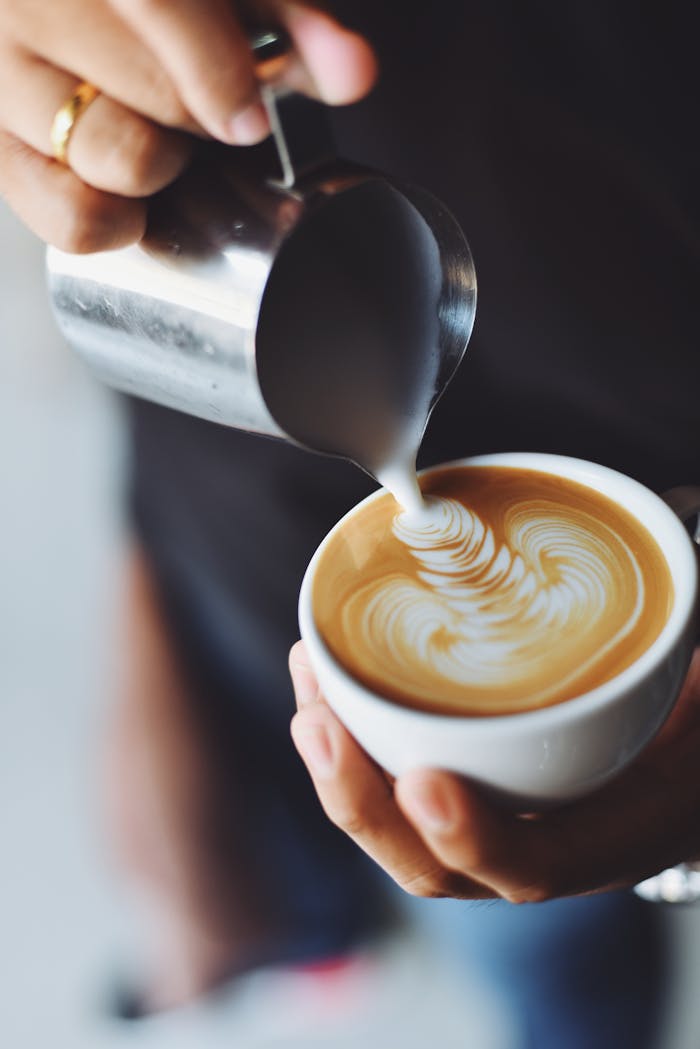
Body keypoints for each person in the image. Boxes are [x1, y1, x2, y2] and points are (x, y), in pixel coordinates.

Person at [1, 2, 692, 1045]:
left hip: (635, 649)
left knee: (534, 924)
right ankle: (313, 932)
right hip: (221, 455)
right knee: (262, 776)